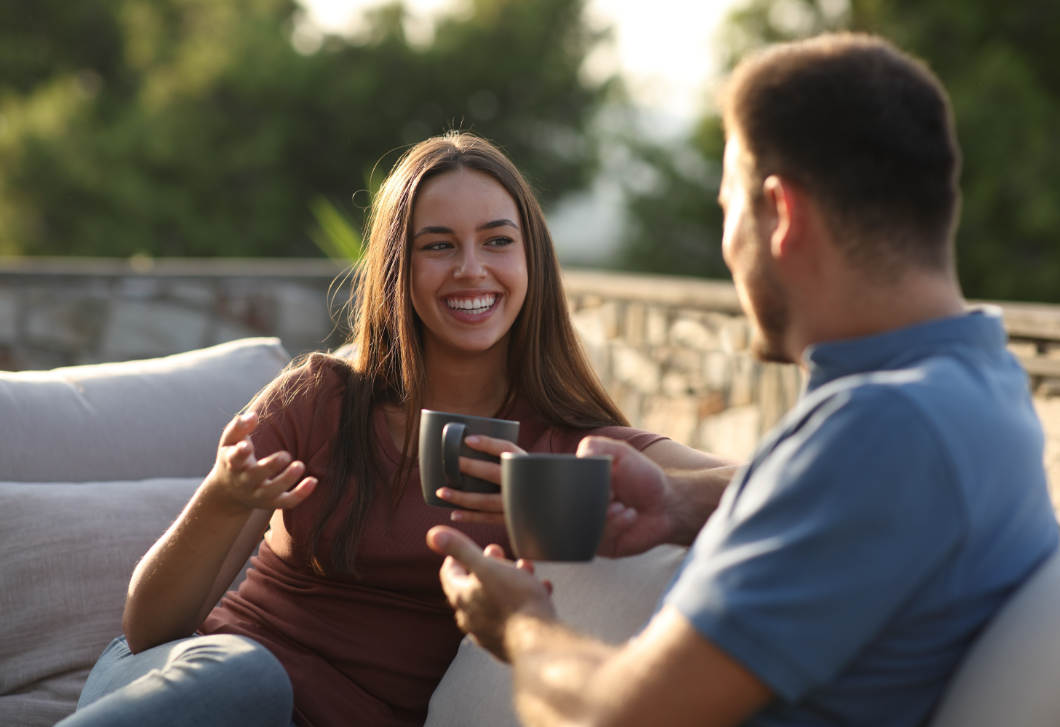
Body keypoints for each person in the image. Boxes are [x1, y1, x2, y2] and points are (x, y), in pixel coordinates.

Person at [427, 33, 1060, 727]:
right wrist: (677, 503)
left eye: (728, 206)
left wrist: (519, 625)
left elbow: (618, 716)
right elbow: (854, 521)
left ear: (780, 214)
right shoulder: (980, 379)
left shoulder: (886, 427)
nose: (728, 242)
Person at [57, 133, 736, 727]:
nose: (471, 268)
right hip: (195, 688)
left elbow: (761, 484)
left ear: (532, 260)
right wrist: (222, 495)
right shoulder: (318, 400)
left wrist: (564, 489)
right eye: (438, 245)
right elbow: (149, 630)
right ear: (397, 270)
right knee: (250, 678)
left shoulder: (562, 441)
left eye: (498, 240)